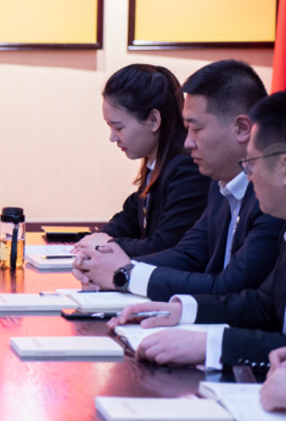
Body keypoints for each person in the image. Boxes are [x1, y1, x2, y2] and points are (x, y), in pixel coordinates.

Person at [73, 60, 283, 301]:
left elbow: (230, 287)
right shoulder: (220, 186)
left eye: (196, 129)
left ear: (242, 128)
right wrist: (106, 266)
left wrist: (125, 274)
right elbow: (188, 255)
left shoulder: (273, 198)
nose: (187, 142)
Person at [110, 91, 286, 371]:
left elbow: (235, 288)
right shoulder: (223, 189)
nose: (248, 175)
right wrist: (181, 309)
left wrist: (211, 345)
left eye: (251, 163)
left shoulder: (269, 212)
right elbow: (263, 306)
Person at [74, 64, 209, 257]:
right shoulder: (156, 165)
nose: (112, 137)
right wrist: (96, 239)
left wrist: (105, 245)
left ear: (153, 120)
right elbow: (128, 219)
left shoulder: (187, 168)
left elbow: (164, 246)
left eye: (118, 127)